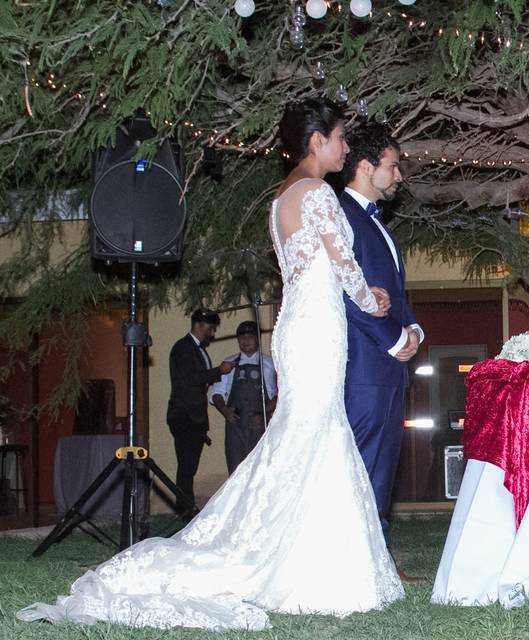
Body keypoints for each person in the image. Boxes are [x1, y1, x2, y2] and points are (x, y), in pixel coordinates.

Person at [18, 98, 403, 630]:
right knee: (315, 431)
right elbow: (345, 265)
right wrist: (373, 301)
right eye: (339, 137)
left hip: (299, 324)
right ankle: (311, 563)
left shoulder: (280, 197)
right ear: (318, 141)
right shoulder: (317, 193)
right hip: (318, 326)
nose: (343, 146)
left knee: (305, 432)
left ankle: (302, 548)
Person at [338, 124, 423, 560]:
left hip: (390, 370)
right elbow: (347, 294)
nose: (399, 176)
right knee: (361, 469)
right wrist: (393, 340)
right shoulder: (341, 218)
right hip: (364, 371)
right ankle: (358, 563)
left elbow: (397, 296)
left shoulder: (381, 226)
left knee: (383, 471)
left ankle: (379, 560)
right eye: (393, 166)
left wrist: (414, 331)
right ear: (367, 167)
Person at [167, 309, 236, 512]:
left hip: (193, 417)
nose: (213, 334)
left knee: (189, 467)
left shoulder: (196, 349)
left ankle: (185, 507)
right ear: (198, 325)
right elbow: (192, 378)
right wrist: (219, 371)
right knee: (186, 467)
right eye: (211, 329)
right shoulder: (183, 348)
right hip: (184, 416)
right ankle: (185, 510)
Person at [210, 320, 278, 475]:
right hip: (236, 426)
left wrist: (263, 413)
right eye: (242, 337)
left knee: (260, 470)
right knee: (236, 471)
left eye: (250, 336)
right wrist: (224, 410)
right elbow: (216, 393)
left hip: (260, 426)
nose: (245, 340)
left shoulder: (270, 364)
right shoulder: (229, 363)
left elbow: (280, 395)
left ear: (258, 338)